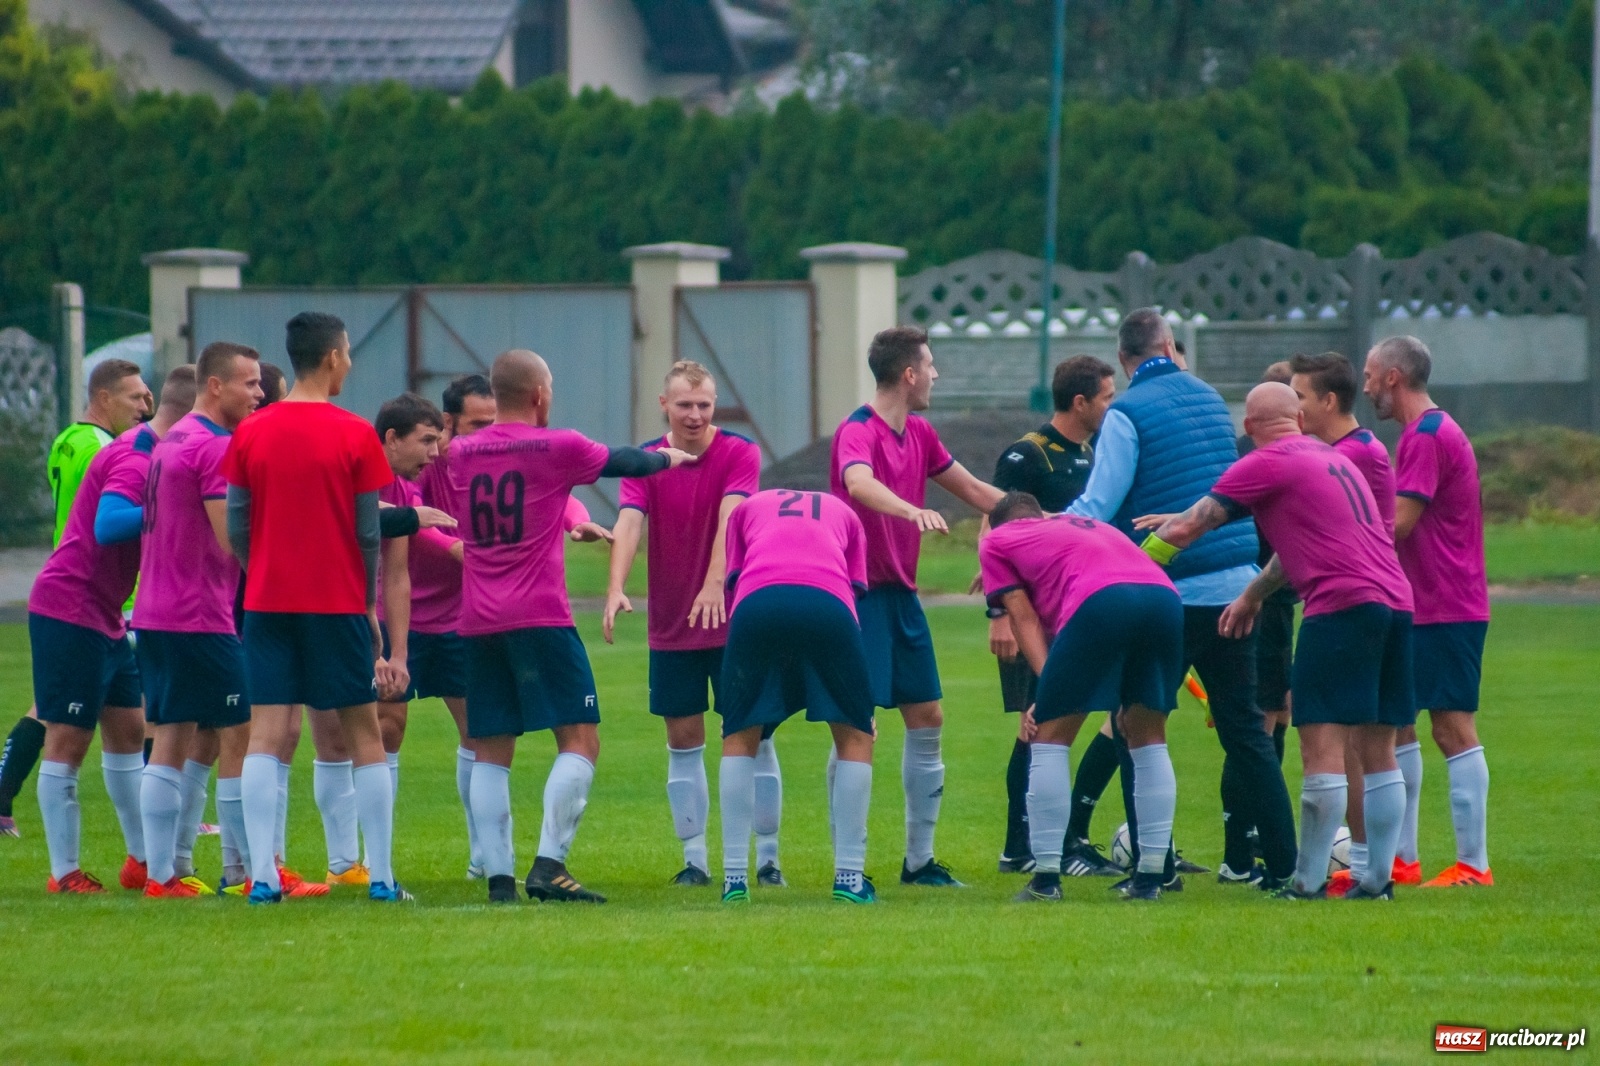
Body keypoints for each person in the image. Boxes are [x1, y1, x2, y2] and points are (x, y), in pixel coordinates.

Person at [1150, 381, 1414, 900]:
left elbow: (1185, 529)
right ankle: (1377, 880)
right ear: (1297, 415)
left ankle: (1307, 881)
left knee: (1320, 746)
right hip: (1397, 603)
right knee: (1380, 748)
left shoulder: (1262, 462)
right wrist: (1252, 594)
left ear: (1248, 428)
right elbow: (1299, 544)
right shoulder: (1331, 459)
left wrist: (1127, 566)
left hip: (1340, 608)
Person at [1067, 308, 1296, 890]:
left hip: (1167, 592)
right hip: (1236, 585)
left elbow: (1098, 505)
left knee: (1136, 723)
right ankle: (1286, 870)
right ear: (1170, 346)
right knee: (1246, 731)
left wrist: (1041, 529)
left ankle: (1154, 868)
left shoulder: (1126, 412)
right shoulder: (1210, 399)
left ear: (1124, 358)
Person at [453, 349, 693, 905]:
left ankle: (498, 880)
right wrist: (671, 459)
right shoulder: (557, 446)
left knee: (490, 748)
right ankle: (549, 867)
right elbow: (627, 461)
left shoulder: (461, 452)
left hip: (479, 619)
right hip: (539, 614)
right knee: (580, 738)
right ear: (539, 395)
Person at [224, 311, 408, 904]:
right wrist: (367, 605)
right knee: (363, 734)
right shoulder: (354, 433)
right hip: (335, 602)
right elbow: (368, 533)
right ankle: (379, 876)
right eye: (348, 353)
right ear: (331, 358)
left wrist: (262, 574)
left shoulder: (251, 431)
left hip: (269, 602)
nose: (350, 363)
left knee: (266, 735)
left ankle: (259, 877)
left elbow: (236, 521)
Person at [830, 325, 1003, 887]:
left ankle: (919, 861)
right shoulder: (857, 431)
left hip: (901, 597)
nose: (935, 375)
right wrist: (908, 510)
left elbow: (978, 493)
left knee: (927, 717)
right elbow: (857, 483)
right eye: (930, 366)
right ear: (908, 375)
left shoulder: (921, 434)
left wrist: (1054, 523)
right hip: (856, 596)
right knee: (857, 729)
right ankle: (849, 872)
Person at [605, 361, 770, 888]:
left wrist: (715, 581)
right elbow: (629, 521)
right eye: (684, 405)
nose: (695, 415)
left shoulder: (739, 452)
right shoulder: (647, 461)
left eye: (703, 405)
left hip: (733, 616)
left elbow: (733, 514)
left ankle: (767, 858)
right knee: (683, 737)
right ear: (664, 406)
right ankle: (695, 860)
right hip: (672, 620)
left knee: (752, 735)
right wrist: (615, 586)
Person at [27, 367, 193, 892]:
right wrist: (175, 509)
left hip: (107, 614)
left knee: (126, 732)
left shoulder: (155, 452)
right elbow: (110, 522)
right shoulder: (135, 455)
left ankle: (140, 860)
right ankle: (63, 871)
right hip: (69, 607)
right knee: (69, 738)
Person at [980, 493, 1186, 902]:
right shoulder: (1087, 526)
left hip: (1102, 599)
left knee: (1050, 737)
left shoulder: (997, 541)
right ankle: (1149, 880)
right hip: (1164, 598)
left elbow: (1022, 616)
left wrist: (1050, 683)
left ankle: (1045, 880)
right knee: (1146, 735)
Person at [0, 359, 150, 838]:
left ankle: (148, 839)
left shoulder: (67, 441)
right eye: (134, 397)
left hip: (81, 578)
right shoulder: (111, 450)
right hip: (87, 586)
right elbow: (111, 515)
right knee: (66, 715)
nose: (144, 408)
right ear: (103, 398)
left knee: (112, 712)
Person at [134, 344, 264, 897]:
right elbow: (230, 534)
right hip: (198, 615)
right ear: (215, 385)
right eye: (250, 383)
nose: (259, 394)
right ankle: (245, 873)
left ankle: (162, 873)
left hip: (156, 610)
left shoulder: (171, 440)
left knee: (173, 736)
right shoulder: (214, 446)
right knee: (243, 731)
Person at [1364, 336, 1492, 888]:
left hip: (1446, 602)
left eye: (1370, 376)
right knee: (1399, 726)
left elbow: (1399, 526)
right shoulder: (1429, 432)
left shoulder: (1427, 436)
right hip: (1425, 602)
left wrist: (1345, 549)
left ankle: (1474, 864)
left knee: (1451, 727)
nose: (1365, 386)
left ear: (1394, 377)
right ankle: (1404, 859)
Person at [984, 356, 1120, 876]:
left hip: (1076, 615)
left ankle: (1063, 839)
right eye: (1106, 397)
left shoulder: (1096, 453)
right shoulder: (1028, 455)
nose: (1112, 405)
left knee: (1074, 719)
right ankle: (1023, 847)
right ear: (1080, 401)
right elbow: (992, 524)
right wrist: (997, 612)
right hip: (1030, 618)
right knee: (1036, 726)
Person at [718, 488, 876, 904]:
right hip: (827, 602)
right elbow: (854, 590)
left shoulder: (747, 508)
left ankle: (734, 879)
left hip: (757, 602)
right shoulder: (845, 512)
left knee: (738, 732)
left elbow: (733, 580)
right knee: (856, 734)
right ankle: (850, 878)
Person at [1284, 350, 1397, 895]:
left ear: (1328, 401)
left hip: (1354, 603)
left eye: (1300, 397)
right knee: (1369, 743)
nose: (1295, 409)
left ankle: (1355, 865)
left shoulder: (1351, 456)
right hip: (1387, 598)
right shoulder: (1354, 451)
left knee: (1348, 743)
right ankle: (1374, 870)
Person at [1216, 360, 1297, 884]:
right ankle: (1243, 853)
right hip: (1257, 601)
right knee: (1256, 725)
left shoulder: (1287, 457)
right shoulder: (1259, 462)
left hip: (1278, 601)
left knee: (1274, 715)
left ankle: (1253, 852)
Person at [415, 373, 497, 878]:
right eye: (476, 425)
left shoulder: (494, 459)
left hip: (465, 614)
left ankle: (481, 855)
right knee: (384, 728)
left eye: (493, 423)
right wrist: (455, 548)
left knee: (478, 731)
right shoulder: (423, 461)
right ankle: (362, 862)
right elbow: (406, 515)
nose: (486, 434)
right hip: (400, 611)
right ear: (448, 423)